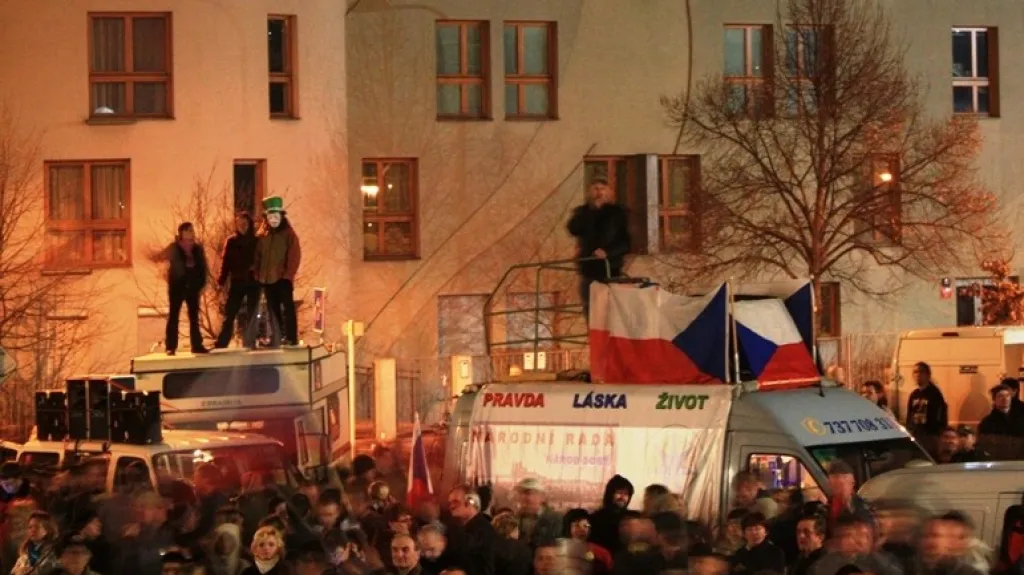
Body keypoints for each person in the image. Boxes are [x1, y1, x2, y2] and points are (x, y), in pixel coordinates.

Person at [567, 177, 631, 319]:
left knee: (608, 313)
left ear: (609, 192)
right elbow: (573, 228)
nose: (599, 193)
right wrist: (590, 211)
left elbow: (626, 242)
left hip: (609, 271)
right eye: (596, 189)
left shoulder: (617, 214)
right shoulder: (584, 212)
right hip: (588, 270)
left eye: (602, 189)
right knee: (590, 311)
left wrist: (608, 252)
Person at [153, 222, 210, 355]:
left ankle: (197, 345)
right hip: (177, 287)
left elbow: (203, 268)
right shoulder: (174, 247)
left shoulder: (197, 249)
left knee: (194, 317)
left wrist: (201, 284)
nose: (192, 233)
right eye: (189, 231)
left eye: (192, 230)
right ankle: (171, 346)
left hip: (193, 287)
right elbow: (161, 257)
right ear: (182, 233)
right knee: (174, 316)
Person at [252, 196, 302, 347]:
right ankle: (277, 336)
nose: (273, 219)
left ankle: (291, 337)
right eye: (270, 216)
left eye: (276, 216)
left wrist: (288, 275)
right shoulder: (262, 236)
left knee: (287, 308)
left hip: (283, 278)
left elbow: (294, 255)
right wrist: (257, 273)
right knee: (272, 310)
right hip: (267, 279)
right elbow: (257, 256)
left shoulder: (289, 234)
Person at [214, 211, 259, 349]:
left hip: (253, 281)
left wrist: (256, 269)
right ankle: (222, 342)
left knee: (252, 313)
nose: (242, 226)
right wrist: (221, 281)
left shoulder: (256, 241)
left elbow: (262, 260)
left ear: (249, 224)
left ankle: (250, 342)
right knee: (230, 312)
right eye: (239, 224)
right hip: (237, 280)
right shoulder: (231, 241)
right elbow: (225, 263)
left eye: (244, 223)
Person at [906, 361, 948, 447]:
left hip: (930, 435)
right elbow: (909, 414)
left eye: (921, 371)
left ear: (928, 375)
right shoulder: (914, 394)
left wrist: (937, 434)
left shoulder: (935, 393)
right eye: (915, 372)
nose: (918, 374)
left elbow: (940, 415)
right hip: (916, 434)